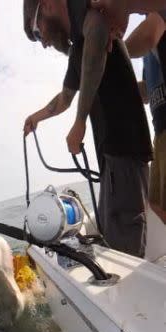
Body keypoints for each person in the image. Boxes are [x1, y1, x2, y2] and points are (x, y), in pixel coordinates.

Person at [23, 0, 153, 257]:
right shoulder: (77, 46)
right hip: (112, 158)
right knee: (111, 234)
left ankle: (126, 296)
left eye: (38, 32)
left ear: (47, 6)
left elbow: (98, 32)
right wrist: (35, 117)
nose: (44, 43)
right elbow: (64, 99)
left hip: (124, 149)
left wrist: (80, 121)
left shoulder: (90, 16)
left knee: (123, 248)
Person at [125, 12, 166, 258]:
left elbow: (149, 32)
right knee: (156, 202)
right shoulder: (148, 59)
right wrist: (116, 83)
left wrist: (112, 51)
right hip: (159, 133)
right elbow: (147, 93)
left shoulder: (158, 14)